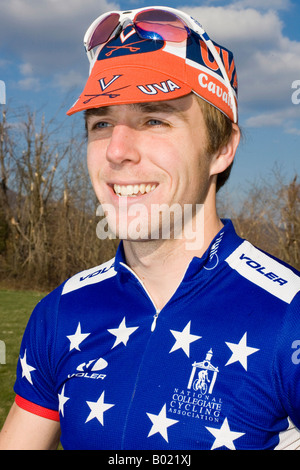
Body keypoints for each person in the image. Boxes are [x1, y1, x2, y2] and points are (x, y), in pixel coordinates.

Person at [0, 6, 299, 450]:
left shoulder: (288, 315)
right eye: (101, 123)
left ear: (221, 149)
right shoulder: (60, 313)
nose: (116, 151)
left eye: (154, 119)